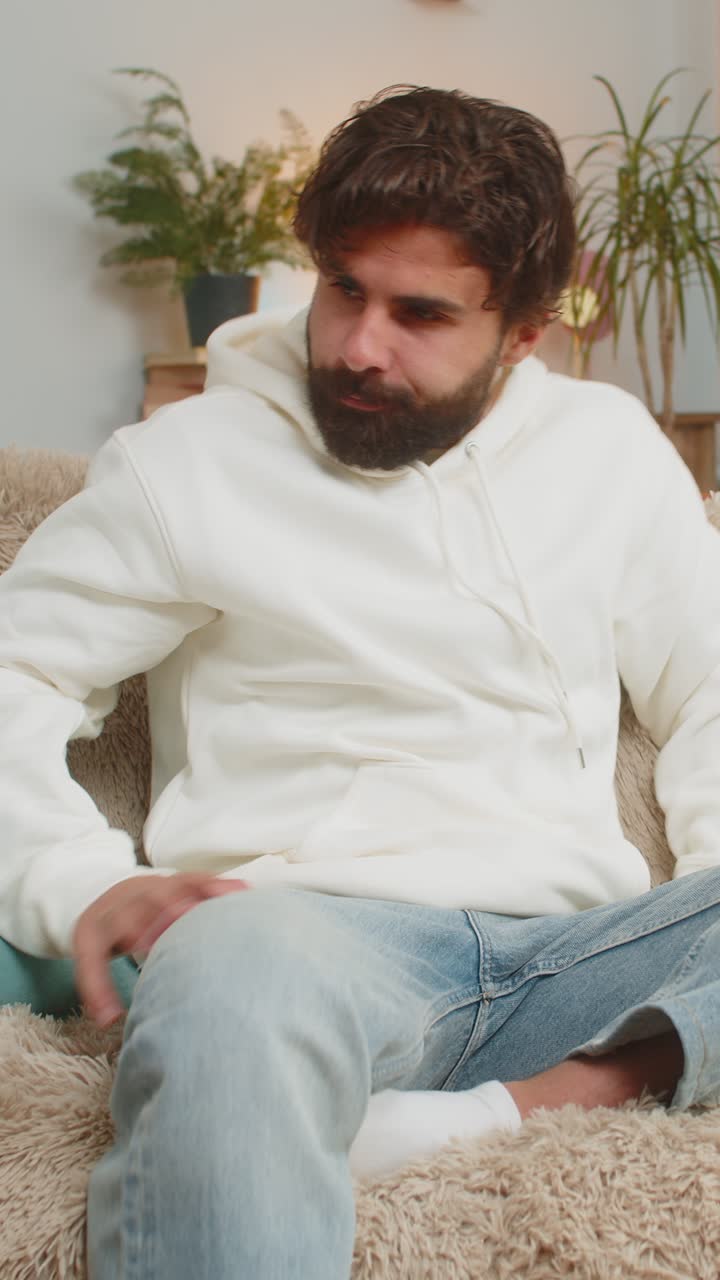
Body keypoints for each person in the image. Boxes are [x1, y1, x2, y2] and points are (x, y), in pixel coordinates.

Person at [1, 83, 720, 1279]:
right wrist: (76, 880)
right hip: (307, 945)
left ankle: (514, 1104)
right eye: (344, 289)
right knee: (230, 959)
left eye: (421, 313)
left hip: (572, 953)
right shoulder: (188, 465)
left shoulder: (611, 458)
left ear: (528, 330)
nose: (358, 346)